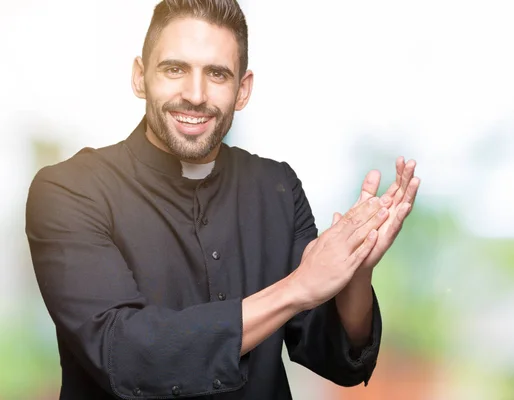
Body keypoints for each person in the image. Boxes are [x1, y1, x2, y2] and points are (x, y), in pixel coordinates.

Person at [25, 0, 420, 399]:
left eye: (216, 74)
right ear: (140, 77)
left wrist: (356, 271)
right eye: (175, 69)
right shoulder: (69, 190)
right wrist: (296, 288)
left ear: (242, 89)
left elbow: (334, 358)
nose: (195, 95)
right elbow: (124, 353)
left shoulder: (276, 187)